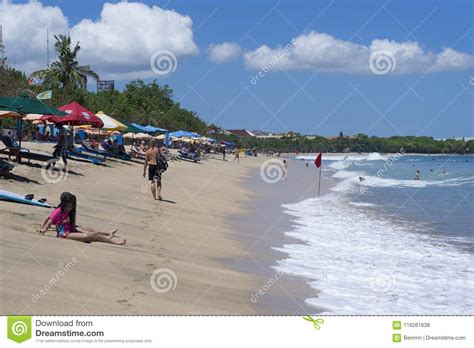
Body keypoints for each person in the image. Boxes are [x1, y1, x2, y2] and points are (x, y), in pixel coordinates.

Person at [39, 192, 126, 245]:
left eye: (72, 206)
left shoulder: (70, 212)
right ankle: (114, 242)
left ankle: (107, 236)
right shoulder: (58, 211)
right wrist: (44, 229)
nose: (70, 208)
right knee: (90, 235)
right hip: (64, 234)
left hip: (71, 231)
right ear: (63, 204)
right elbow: (49, 221)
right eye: (68, 206)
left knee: (92, 232)